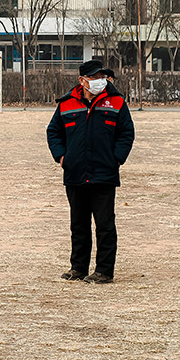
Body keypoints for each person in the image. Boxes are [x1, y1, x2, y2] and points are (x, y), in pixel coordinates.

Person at [46, 59, 135, 285]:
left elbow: (126, 133)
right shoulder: (66, 104)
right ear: (82, 80)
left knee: (105, 225)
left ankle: (104, 271)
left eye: (103, 77)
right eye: (95, 77)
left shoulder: (116, 102)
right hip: (75, 174)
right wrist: (62, 156)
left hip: (104, 174)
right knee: (78, 224)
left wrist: (115, 159)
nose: (100, 81)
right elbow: (53, 132)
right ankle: (78, 268)